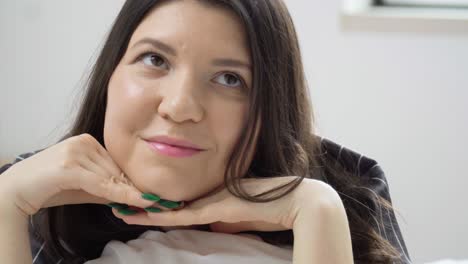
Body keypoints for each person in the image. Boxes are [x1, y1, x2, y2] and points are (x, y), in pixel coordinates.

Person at [0, 0, 411, 263]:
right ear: (109, 76)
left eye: (230, 79)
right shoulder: (34, 195)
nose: (179, 107)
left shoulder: (345, 188)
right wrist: (6, 206)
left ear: (271, 108)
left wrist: (317, 210)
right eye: (155, 60)